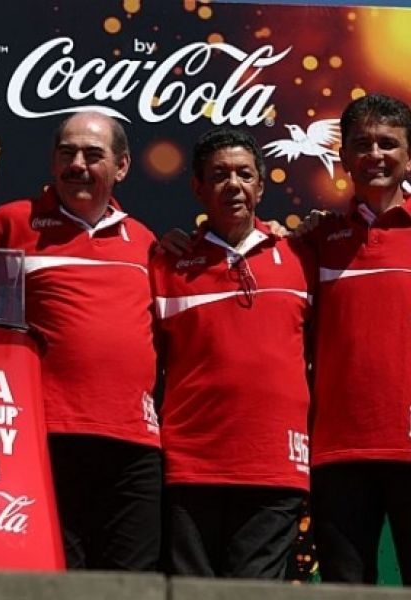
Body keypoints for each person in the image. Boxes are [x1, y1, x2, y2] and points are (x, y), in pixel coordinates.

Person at [0, 111, 161, 570]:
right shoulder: (11, 224)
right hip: (46, 437)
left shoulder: (145, 241)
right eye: (67, 153)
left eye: (93, 154)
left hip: (134, 443)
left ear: (121, 166)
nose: (78, 164)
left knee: (131, 585)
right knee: (58, 580)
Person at [150, 127, 314, 578]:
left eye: (244, 174)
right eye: (219, 175)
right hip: (190, 466)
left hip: (275, 466)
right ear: (198, 187)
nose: (233, 185)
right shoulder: (165, 264)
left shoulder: (302, 254)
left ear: (261, 186)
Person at [308, 93, 411, 585]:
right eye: (362, 144)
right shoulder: (313, 241)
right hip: (338, 452)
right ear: (344, 156)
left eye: (388, 144)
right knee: (345, 592)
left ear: (408, 155)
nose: (375, 155)